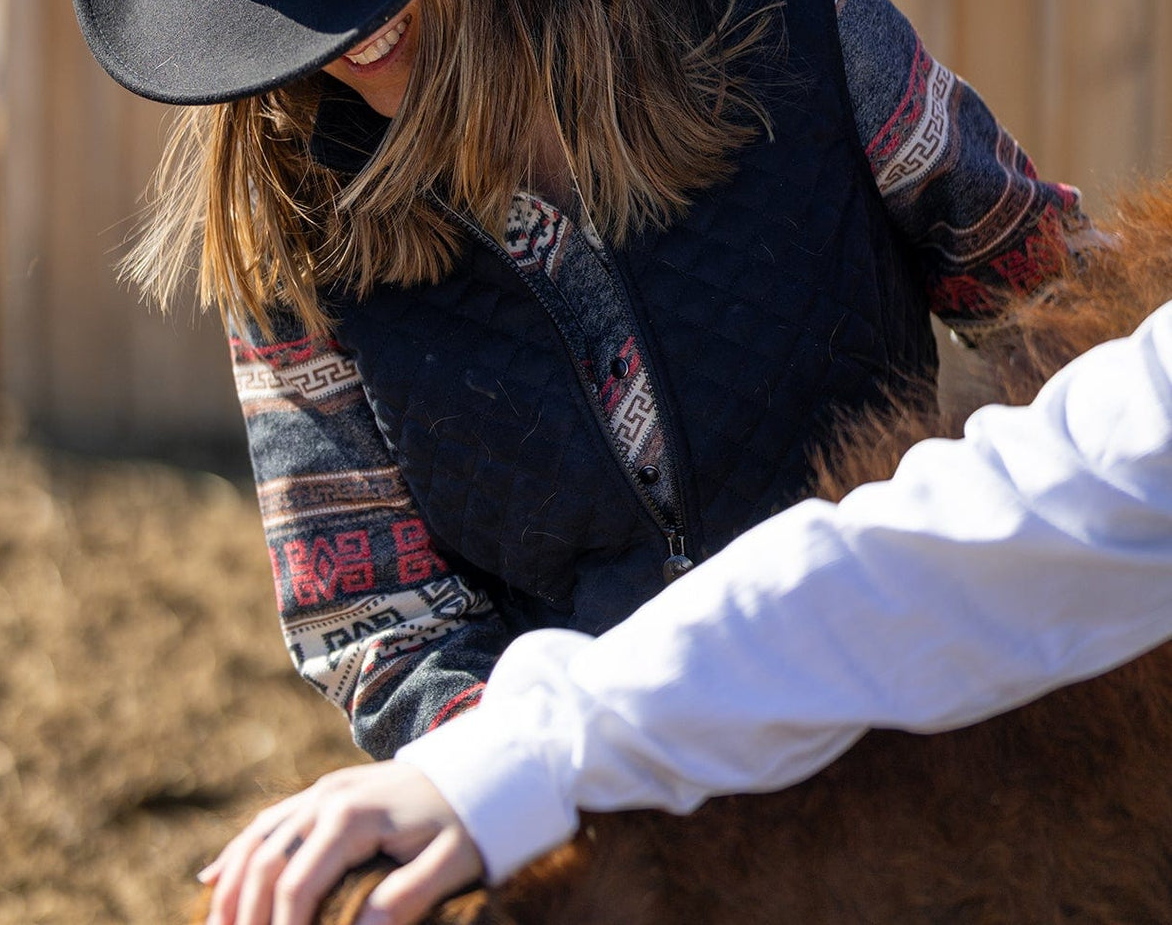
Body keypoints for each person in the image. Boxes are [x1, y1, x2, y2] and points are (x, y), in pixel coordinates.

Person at [70, 0, 1083, 925]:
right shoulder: (290, 214)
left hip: (922, 728)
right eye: (301, 8)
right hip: (602, 814)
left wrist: (1022, 618)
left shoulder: (793, 21)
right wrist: (538, 778)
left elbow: (1051, 296)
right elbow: (373, 603)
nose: (349, 38)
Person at [197, 297, 1172, 925]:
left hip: (863, 801)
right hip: (677, 805)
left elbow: (1046, 320)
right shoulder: (285, 246)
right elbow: (999, 524)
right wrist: (510, 761)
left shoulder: (790, 22)